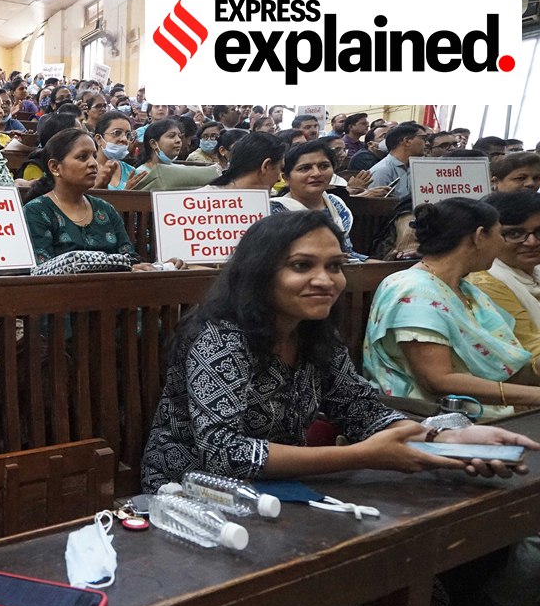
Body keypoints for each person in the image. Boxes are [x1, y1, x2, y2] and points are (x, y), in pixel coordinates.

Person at [140, 210, 536, 492]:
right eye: (301, 266)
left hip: (279, 488)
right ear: (259, 273)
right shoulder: (222, 336)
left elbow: (360, 408)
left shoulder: (315, 333)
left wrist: (442, 438)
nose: (324, 280)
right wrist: (363, 456)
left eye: (334, 266)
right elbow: (223, 452)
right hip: (188, 494)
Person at [365, 197, 540, 418]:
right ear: (479, 237)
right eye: (499, 235)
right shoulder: (414, 291)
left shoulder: (464, 288)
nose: (502, 244)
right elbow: (438, 381)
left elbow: (505, 365)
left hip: (483, 414)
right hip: (431, 421)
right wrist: (533, 396)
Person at [24, 128, 174, 269]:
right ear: (55, 167)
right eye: (82, 157)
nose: (93, 164)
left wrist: (160, 266)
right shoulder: (36, 211)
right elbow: (44, 269)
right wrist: (118, 267)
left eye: (94, 156)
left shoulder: (105, 209)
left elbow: (130, 258)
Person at [469, 191, 540, 357]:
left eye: (539, 232)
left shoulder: (535, 271)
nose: (532, 242)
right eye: (515, 234)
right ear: (485, 236)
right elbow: (529, 349)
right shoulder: (486, 284)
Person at [270, 140, 361, 258]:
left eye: (324, 166)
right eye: (305, 168)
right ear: (286, 178)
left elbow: (347, 253)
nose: (316, 173)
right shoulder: (274, 212)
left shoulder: (335, 204)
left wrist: (369, 262)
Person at [124, 119, 218, 191]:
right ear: (153, 143)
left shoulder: (179, 169)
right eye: (171, 136)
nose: (178, 140)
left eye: (179, 136)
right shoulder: (140, 174)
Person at [200, 131, 285, 192]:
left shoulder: (197, 202)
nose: (279, 179)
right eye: (280, 168)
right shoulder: (201, 202)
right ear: (265, 166)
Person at [370, 123, 427, 198]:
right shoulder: (381, 171)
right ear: (407, 141)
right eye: (423, 138)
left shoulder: (415, 168)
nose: (427, 143)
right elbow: (376, 206)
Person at [92, 110, 139, 190]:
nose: (124, 139)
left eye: (128, 135)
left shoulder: (132, 172)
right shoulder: (87, 170)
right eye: (117, 133)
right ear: (99, 139)